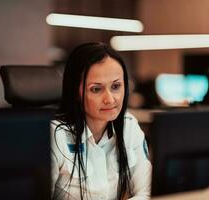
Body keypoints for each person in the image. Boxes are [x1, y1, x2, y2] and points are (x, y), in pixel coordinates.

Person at [51, 42, 151, 200]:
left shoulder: (128, 126)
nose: (110, 99)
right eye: (96, 89)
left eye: (116, 86)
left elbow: (146, 192)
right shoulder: (55, 135)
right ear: (76, 91)